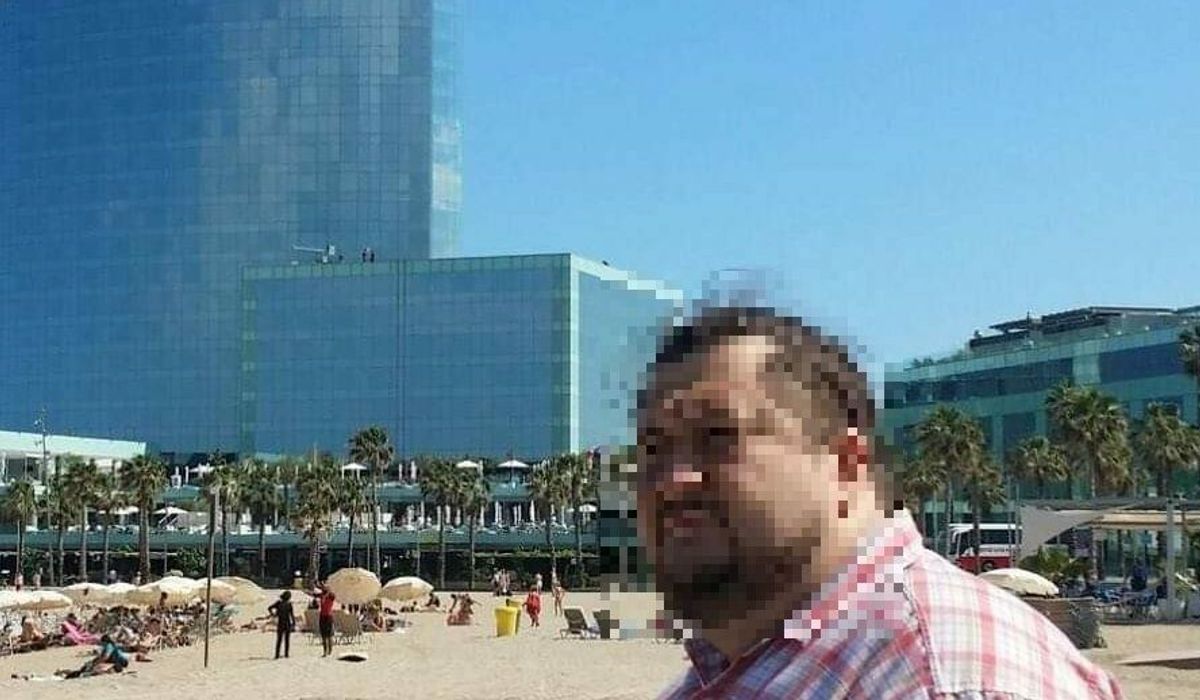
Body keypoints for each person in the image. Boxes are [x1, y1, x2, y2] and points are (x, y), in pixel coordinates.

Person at [638, 306, 1124, 699]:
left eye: (718, 436)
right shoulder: (736, 664)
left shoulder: (945, 682)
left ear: (845, 465)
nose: (672, 481)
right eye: (653, 448)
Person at [267, 591, 295, 659]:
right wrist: (294, 623)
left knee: (279, 640)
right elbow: (292, 615)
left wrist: (273, 614)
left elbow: (269, 608)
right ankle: (286, 654)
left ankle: (277, 654)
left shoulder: (278, 603)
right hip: (287, 623)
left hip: (280, 623)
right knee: (287, 640)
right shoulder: (289, 604)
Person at [315, 583, 336, 658]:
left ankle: (329, 650)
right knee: (323, 635)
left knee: (329, 635)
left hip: (328, 616)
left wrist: (328, 591)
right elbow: (314, 594)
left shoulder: (331, 596)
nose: (323, 589)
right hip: (322, 616)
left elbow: (333, 596)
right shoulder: (321, 595)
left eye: (325, 588)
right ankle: (325, 651)